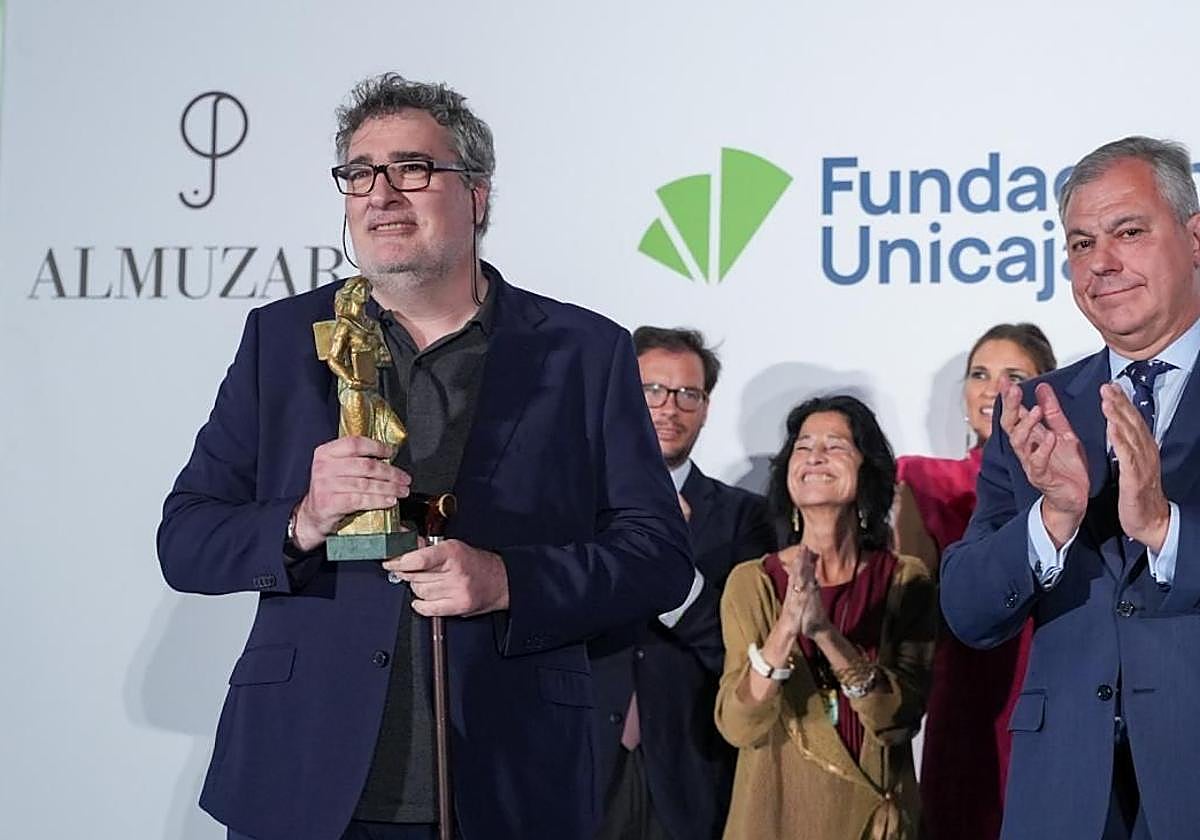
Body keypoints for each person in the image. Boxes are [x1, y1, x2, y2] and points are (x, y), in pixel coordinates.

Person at [156, 73, 693, 840]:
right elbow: (185, 539)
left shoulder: (584, 350)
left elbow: (658, 558)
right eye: (359, 173)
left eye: (412, 169)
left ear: (476, 194)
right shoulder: (282, 339)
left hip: (509, 781)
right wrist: (303, 520)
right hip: (302, 780)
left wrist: (508, 581)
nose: (381, 194)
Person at [941, 136, 1200, 839]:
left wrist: (1165, 529)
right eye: (1082, 244)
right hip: (1063, 796)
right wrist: (1052, 519)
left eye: (1129, 232)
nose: (1102, 262)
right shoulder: (1035, 409)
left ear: (1194, 237)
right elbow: (969, 610)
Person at [715, 395, 936, 840]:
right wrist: (785, 630)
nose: (815, 456)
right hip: (777, 816)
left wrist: (824, 632)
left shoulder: (904, 579)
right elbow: (738, 724)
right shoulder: (753, 582)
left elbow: (900, 717)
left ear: (867, 471)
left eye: (835, 446)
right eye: (803, 446)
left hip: (876, 823)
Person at [590, 326, 774, 840]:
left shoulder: (746, 518)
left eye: (688, 393)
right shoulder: (572, 507)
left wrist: (669, 568)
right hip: (580, 763)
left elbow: (745, 648)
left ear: (706, 408)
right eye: (653, 390)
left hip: (692, 769)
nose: (670, 408)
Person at [893, 323, 1056, 840]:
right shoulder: (923, 480)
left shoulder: (1075, 482)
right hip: (966, 690)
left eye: (1015, 377)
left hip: (1056, 685)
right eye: (980, 374)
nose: (994, 389)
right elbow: (911, 603)